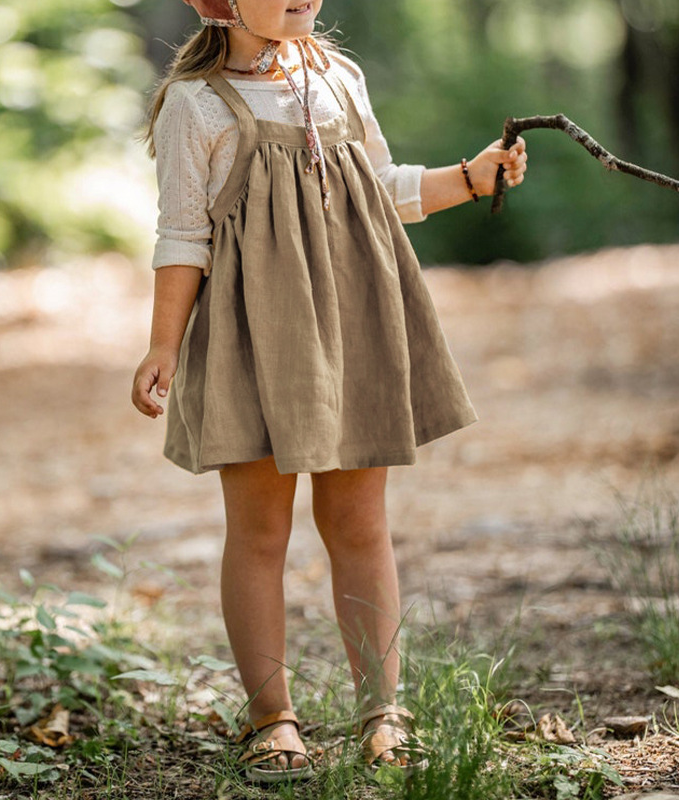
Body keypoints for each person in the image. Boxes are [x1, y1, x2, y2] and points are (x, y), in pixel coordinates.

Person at [132, 0, 527, 783]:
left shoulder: (338, 77)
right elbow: (183, 232)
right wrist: (162, 345)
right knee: (258, 531)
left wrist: (471, 178)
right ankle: (270, 716)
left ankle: (383, 708)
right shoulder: (197, 103)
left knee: (359, 520)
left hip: (351, 323)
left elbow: (382, 189)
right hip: (254, 334)